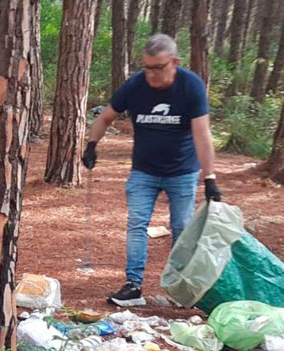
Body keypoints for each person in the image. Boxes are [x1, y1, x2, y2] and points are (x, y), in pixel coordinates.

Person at [82, 34, 221, 307]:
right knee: (136, 225)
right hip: (143, 171)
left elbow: (202, 135)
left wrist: (210, 178)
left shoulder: (190, 85)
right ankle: (133, 286)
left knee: (182, 228)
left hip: (182, 172)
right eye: (147, 67)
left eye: (158, 67)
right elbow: (106, 116)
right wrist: (91, 144)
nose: (152, 74)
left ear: (174, 62)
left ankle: (182, 288)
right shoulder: (135, 85)